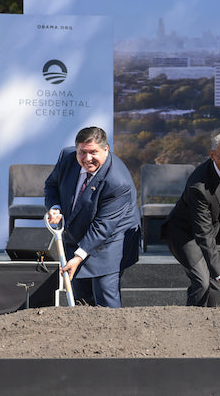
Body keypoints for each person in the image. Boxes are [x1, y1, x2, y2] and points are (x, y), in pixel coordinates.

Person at [44, 126, 141, 308]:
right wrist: (55, 207)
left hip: (112, 237)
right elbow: (51, 185)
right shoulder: (67, 157)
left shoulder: (118, 182)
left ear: (106, 149)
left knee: (104, 293)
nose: (87, 158)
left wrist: (78, 256)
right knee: (80, 292)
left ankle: (113, 333)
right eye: (82, 152)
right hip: (79, 231)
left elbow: (103, 226)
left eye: (93, 152)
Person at [162, 132, 220, 307]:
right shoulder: (199, 187)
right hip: (184, 233)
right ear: (212, 156)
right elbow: (203, 235)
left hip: (211, 227)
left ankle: (214, 325)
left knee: (215, 283)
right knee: (203, 282)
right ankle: (193, 326)